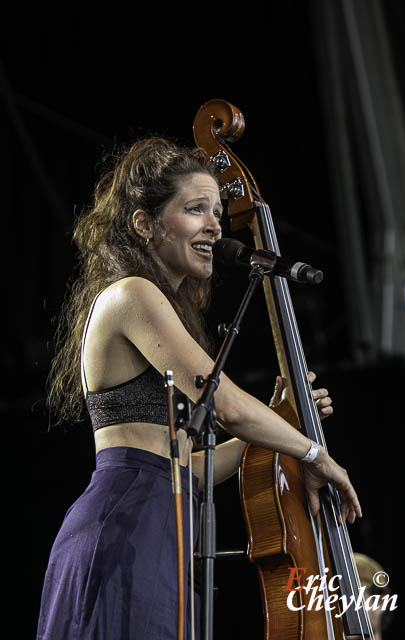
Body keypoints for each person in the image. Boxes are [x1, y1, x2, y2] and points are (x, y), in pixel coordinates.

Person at [37, 137, 361, 640]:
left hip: (162, 522)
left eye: (217, 211)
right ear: (144, 223)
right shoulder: (133, 293)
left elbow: (192, 467)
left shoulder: (163, 306)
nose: (215, 223)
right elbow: (228, 404)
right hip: (127, 522)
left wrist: (281, 427)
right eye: (195, 210)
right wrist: (314, 452)